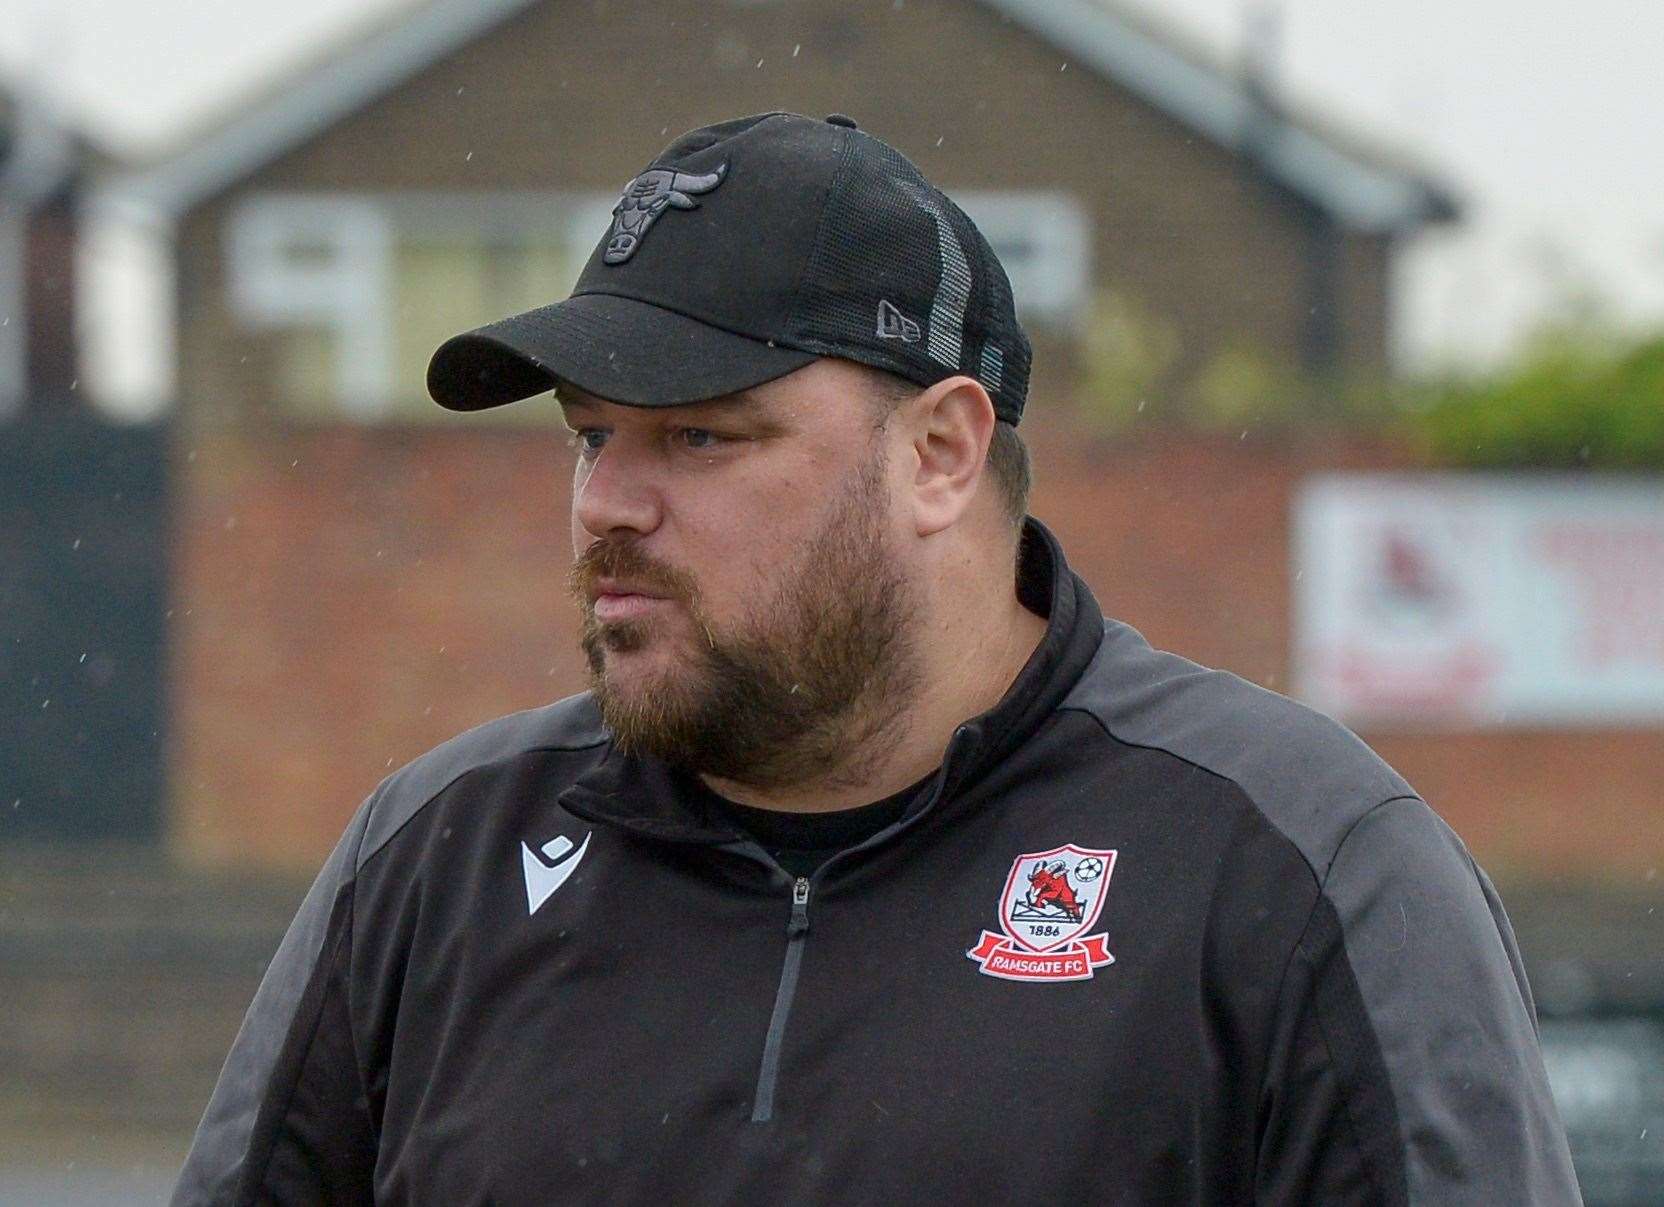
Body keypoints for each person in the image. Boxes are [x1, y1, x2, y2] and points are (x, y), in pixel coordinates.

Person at [173, 112, 1580, 1205]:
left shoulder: (1298, 867)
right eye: (593, 436)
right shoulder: (437, 859)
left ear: (939, 454)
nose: (606, 501)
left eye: (701, 436)